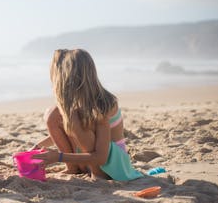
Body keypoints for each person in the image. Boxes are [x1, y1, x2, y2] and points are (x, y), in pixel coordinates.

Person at [32, 49, 142, 181]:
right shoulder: (76, 104)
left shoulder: (103, 103)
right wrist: (37, 147)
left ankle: (98, 174)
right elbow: (66, 130)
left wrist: (58, 157)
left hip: (112, 165)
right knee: (53, 114)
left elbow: (101, 156)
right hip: (89, 156)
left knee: (72, 116)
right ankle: (72, 168)